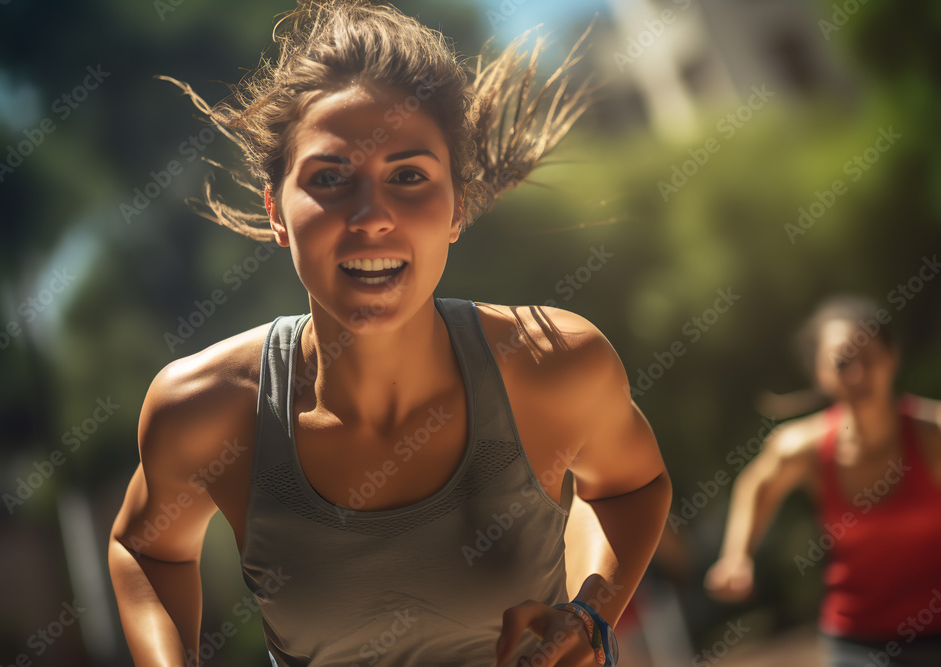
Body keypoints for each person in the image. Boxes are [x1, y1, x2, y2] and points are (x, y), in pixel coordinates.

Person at [108, 2, 672, 665]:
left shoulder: (556, 365)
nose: (371, 216)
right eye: (329, 178)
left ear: (458, 206)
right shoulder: (205, 410)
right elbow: (144, 548)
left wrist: (587, 615)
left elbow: (631, 486)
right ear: (277, 211)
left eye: (408, 175)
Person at [704, 295, 941, 666]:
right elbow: (756, 485)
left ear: (892, 359)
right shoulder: (803, 448)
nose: (859, 374)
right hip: (857, 640)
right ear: (819, 372)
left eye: (870, 358)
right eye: (844, 362)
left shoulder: (933, 436)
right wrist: (736, 557)